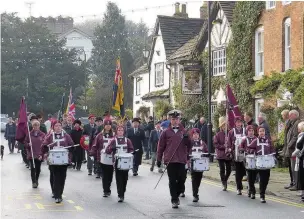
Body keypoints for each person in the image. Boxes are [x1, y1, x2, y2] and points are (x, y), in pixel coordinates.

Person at [157, 110, 192, 209]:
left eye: (177, 119)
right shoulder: (165, 132)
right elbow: (160, 146)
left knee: (182, 179)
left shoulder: (184, 131)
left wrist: (187, 139)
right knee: (172, 180)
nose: (175, 121)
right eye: (173, 119)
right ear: (170, 120)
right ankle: (174, 199)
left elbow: (189, 145)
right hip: (170, 160)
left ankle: (177, 193)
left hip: (181, 159)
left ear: (179, 120)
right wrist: (159, 159)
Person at [41, 120, 74, 203]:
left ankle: (59, 193)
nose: (58, 127)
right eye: (56, 126)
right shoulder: (50, 136)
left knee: (62, 177)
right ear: (53, 127)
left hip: (63, 160)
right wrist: (46, 149)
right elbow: (44, 145)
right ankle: (56, 194)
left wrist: (71, 148)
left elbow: (72, 145)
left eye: (59, 125)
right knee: (55, 177)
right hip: (53, 160)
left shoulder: (66, 136)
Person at [242, 126, 275, 203]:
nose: (261, 132)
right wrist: (254, 152)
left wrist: (272, 155)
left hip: (267, 162)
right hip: (259, 163)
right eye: (260, 131)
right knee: (259, 179)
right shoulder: (255, 140)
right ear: (258, 132)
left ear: (264, 132)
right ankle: (262, 195)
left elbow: (272, 149)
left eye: (263, 131)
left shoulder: (268, 140)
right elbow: (249, 148)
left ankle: (262, 191)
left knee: (266, 179)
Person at [106, 125, 134, 202]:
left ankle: (122, 192)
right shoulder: (113, 141)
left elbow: (131, 150)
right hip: (117, 162)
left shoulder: (127, 140)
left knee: (125, 179)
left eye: (122, 130)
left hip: (126, 162)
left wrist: (131, 153)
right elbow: (107, 151)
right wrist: (112, 148)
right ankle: (120, 195)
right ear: (116, 131)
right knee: (119, 179)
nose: (120, 131)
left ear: (124, 132)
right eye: (119, 130)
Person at [90, 119, 114, 197]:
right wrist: (92, 154)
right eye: (106, 125)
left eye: (109, 125)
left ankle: (108, 188)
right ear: (104, 126)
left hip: (111, 158)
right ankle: (105, 191)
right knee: (104, 174)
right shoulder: (99, 135)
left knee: (110, 174)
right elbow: (95, 146)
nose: (108, 126)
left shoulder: (114, 135)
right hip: (102, 158)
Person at [227, 116, 246, 195]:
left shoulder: (245, 131)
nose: (239, 124)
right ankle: (239, 188)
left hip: (244, 153)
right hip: (236, 154)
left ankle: (240, 185)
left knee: (243, 171)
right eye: (237, 122)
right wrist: (229, 149)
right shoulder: (231, 132)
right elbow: (228, 142)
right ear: (235, 123)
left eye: (240, 122)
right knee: (238, 171)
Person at [24, 120, 45, 188]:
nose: (36, 126)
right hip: (32, 154)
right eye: (34, 125)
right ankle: (33, 182)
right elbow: (25, 143)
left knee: (38, 169)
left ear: (39, 126)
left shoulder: (42, 134)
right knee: (33, 168)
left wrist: (43, 154)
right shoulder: (29, 134)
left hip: (39, 154)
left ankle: (36, 179)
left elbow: (45, 144)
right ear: (32, 126)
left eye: (37, 125)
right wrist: (28, 144)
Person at [283, 110, 300, 191]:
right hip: (290, 150)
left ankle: (296, 184)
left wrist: (289, 145)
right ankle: (293, 183)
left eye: (290, 115)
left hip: (293, 150)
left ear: (294, 115)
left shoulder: (297, 123)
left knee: (294, 168)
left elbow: (295, 136)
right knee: (291, 168)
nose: (289, 117)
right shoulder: (292, 123)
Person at [189, 128, 208, 202]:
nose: (196, 135)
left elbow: (206, 151)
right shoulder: (190, 142)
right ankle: (195, 195)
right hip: (193, 162)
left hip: (201, 163)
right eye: (194, 134)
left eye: (197, 134)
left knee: (199, 178)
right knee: (194, 178)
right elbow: (187, 151)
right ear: (192, 135)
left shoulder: (202, 143)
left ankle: (196, 190)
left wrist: (206, 155)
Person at [213, 116, 231, 191]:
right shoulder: (218, 134)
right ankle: (224, 183)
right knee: (222, 169)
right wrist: (223, 146)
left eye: (226, 125)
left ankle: (225, 180)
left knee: (229, 170)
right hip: (221, 154)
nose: (225, 127)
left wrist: (229, 147)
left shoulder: (230, 133)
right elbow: (216, 144)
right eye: (223, 125)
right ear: (221, 126)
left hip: (228, 154)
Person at [240, 125, 258, 199]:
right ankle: (252, 191)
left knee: (254, 176)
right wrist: (244, 150)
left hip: (256, 158)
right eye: (249, 131)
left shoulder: (256, 139)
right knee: (249, 175)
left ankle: (250, 188)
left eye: (252, 131)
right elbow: (240, 147)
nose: (251, 132)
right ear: (247, 132)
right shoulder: (244, 139)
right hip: (247, 159)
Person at [293, 121, 304, 202]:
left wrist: (297, 154)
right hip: (301, 158)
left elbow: (299, 147)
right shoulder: (301, 135)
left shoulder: (302, 136)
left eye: (299, 127)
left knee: (302, 175)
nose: (298, 129)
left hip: (302, 158)